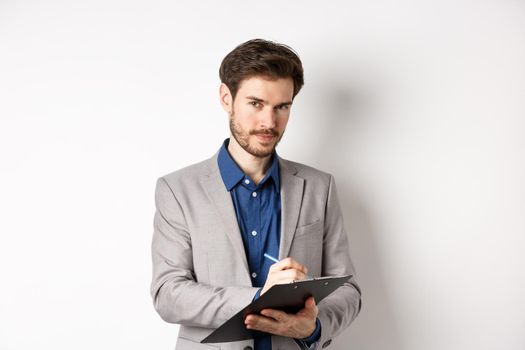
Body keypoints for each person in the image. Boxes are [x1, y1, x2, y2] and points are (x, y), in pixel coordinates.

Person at [150, 38, 362, 350]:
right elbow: (168, 294)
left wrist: (312, 327)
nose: (269, 122)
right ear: (226, 98)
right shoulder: (178, 189)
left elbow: (348, 290)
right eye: (255, 104)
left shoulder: (320, 187)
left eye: (282, 107)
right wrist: (255, 298)